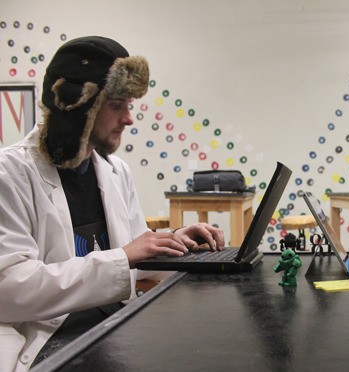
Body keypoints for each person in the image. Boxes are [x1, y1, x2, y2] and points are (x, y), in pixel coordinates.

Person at [0, 36, 225, 371]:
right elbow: (9, 291)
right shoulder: (11, 174)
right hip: (50, 337)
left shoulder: (115, 171)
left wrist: (174, 242)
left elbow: (134, 254)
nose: (128, 119)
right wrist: (123, 257)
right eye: (117, 105)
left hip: (112, 322)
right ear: (79, 107)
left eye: (129, 106)